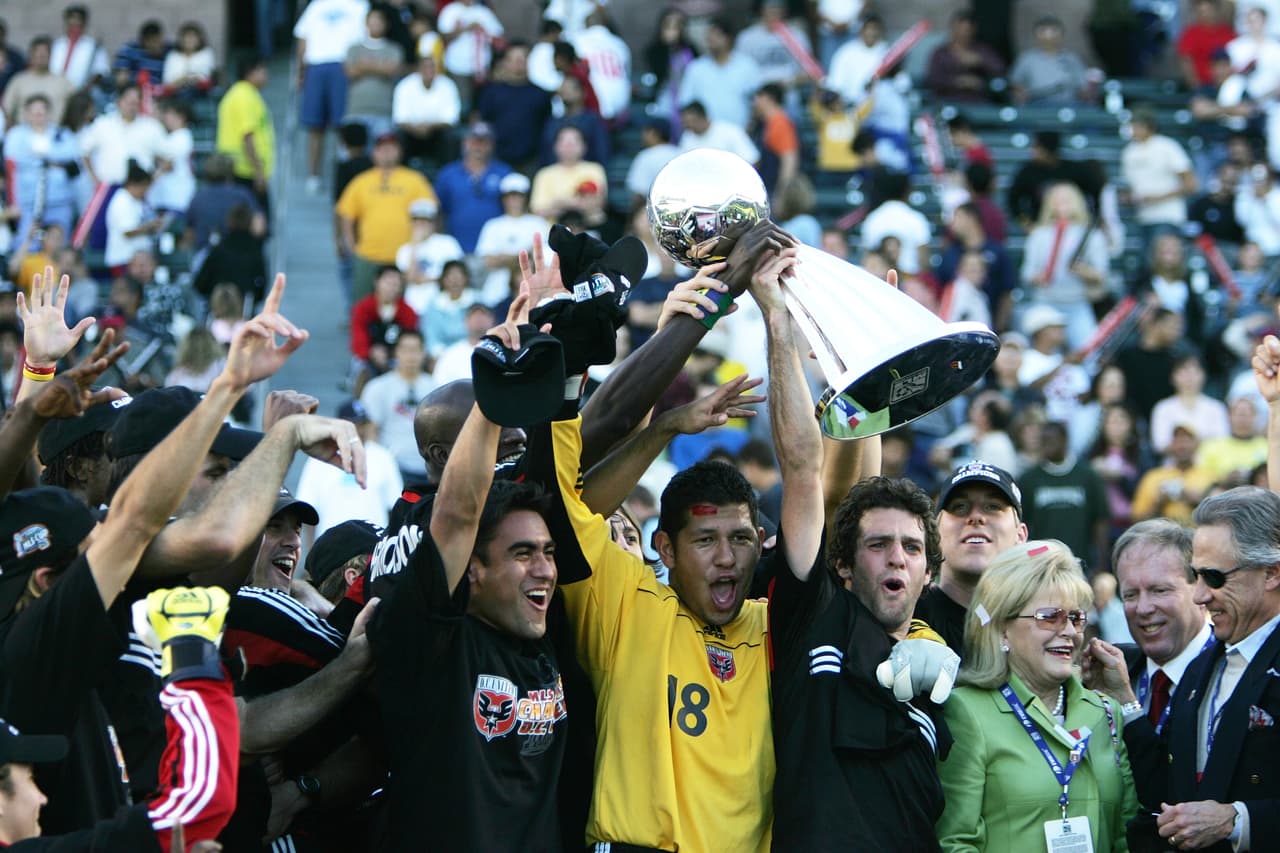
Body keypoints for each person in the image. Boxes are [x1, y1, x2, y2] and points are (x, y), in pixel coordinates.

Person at [366, 290, 572, 852]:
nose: (546, 570)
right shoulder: (433, 638)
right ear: (470, 571)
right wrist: (492, 397)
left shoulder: (541, 635)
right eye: (524, 554)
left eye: (548, 552)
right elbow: (457, 513)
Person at [936, 540, 1137, 850]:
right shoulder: (966, 712)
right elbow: (955, 843)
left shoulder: (1106, 713)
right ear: (1002, 628)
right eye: (1050, 617)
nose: (1069, 632)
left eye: (1076, 618)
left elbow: (1127, 834)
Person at [1124, 487, 1280, 851]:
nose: (1200, 595)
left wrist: (1238, 820)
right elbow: (1170, 789)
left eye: (1214, 577)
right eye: (1195, 576)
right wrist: (1126, 703)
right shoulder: (1202, 667)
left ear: (1271, 573)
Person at [1085, 520, 1212, 745]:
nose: (1143, 608)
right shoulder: (1105, 675)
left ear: (1201, 589)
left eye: (1160, 591)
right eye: (1131, 595)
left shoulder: (1233, 672)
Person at [916, 461, 1029, 652]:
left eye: (992, 506)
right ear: (934, 534)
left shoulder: (1038, 625)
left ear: (1021, 536)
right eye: (960, 506)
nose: (976, 516)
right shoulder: (907, 615)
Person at [336, 132, 435, 304]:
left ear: (400, 152)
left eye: (392, 148)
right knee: (362, 305)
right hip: (367, 255)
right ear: (374, 153)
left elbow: (430, 212)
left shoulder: (414, 180)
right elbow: (346, 215)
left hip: (404, 257)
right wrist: (351, 246)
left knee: (405, 307)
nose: (387, 152)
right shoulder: (361, 181)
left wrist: (421, 246)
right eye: (382, 148)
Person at [1019, 182, 1109, 350]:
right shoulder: (1039, 235)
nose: (1061, 205)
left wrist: (1084, 271)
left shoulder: (1091, 235)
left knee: (1088, 351)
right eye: (1056, 200)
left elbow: (1102, 273)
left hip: (1077, 302)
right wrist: (1037, 277)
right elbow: (1027, 272)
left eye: (1066, 200)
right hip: (1045, 301)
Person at [296, 401, 402, 539]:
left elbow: (394, 507)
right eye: (353, 425)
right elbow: (309, 508)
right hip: (329, 546)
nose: (360, 430)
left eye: (363, 424)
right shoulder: (318, 459)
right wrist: (311, 553)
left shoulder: (383, 457)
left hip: (374, 547)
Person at [292, 0, 368, 193]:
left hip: (343, 65)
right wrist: (301, 71)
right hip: (316, 66)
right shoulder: (316, 5)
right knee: (315, 126)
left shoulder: (360, 6)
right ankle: (314, 176)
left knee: (343, 125)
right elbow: (303, 38)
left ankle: (345, 172)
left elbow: (365, 39)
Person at [1019, 422, 1111, 573]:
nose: (1047, 445)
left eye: (1052, 440)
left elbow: (1101, 522)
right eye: (1043, 441)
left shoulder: (1087, 476)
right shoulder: (1028, 479)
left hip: (1081, 562)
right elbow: (1023, 524)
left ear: (1065, 440)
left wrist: (1100, 565)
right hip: (1042, 565)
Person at [359, 328, 436, 484]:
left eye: (415, 350)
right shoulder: (378, 388)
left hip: (430, 469)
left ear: (423, 353)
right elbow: (370, 430)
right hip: (393, 468)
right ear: (396, 352)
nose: (411, 356)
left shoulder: (436, 388)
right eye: (406, 350)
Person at [3, 95, 80, 243]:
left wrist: (40, 154)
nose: (38, 116)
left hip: (60, 201)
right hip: (28, 203)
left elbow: (71, 154)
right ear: (26, 114)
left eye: (41, 112)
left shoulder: (62, 134)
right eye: (34, 113)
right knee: (27, 245)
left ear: (49, 113)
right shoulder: (16, 135)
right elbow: (13, 160)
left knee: (58, 246)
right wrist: (53, 160)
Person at [432, 122, 511, 254]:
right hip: (456, 249)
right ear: (465, 142)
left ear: (491, 145)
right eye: (474, 141)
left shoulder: (504, 173)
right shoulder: (448, 174)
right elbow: (438, 211)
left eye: (484, 142)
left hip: (495, 252)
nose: (478, 147)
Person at [1122, 110, 1198, 236]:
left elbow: (1191, 184)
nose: (1133, 130)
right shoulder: (1129, 152)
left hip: (1168, 216)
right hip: (1142, 217)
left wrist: (1158, 198)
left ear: (1149, 126)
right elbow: (1129, 186)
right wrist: (1128, 198)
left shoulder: (1167, 146)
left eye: (1137, 125)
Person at [676, 17, 760, 130]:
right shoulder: (696, 68)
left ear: (729, 38)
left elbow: (758, 100)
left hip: (741, 134)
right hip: (704, 135)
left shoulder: (747, 66)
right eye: (709, 35)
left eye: (716, 35)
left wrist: (751, 126)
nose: (711, 39)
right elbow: (686, 102)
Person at [78, 84, 167, 190]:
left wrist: (150, 182)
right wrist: (94, 179)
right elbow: (84, 152)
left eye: (135, 103)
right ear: (119, 101)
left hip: (138, 192)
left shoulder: (152, 127)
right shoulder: (102, 124)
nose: (132, 107)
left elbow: (167, 160)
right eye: (128, 102)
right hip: (106, 187)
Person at [215, 58, 275, 212]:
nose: (266, 75)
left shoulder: (244, 94)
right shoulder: (244, 96)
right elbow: (247, 136)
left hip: (242, 169)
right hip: (244, 171)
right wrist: (258, 172)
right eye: (262, 70)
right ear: (251, 72)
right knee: (255, 225)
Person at [529, 126, 606, 228]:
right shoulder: (544, 174)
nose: (569, 146)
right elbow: (538, 211)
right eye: (564, 142)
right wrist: (576, 204)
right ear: (555, 146)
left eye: (574, 142)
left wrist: (559, 203)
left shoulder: (594, 169)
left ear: (584, 146)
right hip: (552, 233)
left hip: (588, 231)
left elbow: (598, 203)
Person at [391, 54, 460, 167]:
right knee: (399, 136)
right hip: (411, 133)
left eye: (432, 67)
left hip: (437, 132)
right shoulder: (405, 85)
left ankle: (445, 172)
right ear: (418, 69)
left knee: (450, 137)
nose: (429, 70)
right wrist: (416, 128)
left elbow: (451, 120)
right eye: (425, 67)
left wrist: (429, 126)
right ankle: (402, 173)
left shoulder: (448, 85)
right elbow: (400, 119)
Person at [924, 10, 1006, 103]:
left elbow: (1000, 69)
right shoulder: (941, 53)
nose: (963, 34)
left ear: (973, 30)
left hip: (978, 102)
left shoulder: (982, 51)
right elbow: (932, 80)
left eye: (967, 30)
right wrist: (959, 82)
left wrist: (980, 61)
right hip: (947, 101)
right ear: (953, 29)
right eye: (959, 29)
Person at [436, 0, 504, 109]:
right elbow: (444, 37)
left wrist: (482, 29)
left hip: (481, 67)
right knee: (461, 103)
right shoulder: (450, 10)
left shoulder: (482, 11)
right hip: (457, 66)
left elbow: (498, 37)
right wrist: (465, 28)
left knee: (481, 102)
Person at [1008, 16, 1090, 104]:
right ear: (1036, 35)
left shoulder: (1072, 58)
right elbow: (1016, 83)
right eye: (1043, 32)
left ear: (1061, 35)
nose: (1048, 37)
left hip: (1069, 104)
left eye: (1053, 31)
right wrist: (1020, 95)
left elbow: (1083, 86)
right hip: (1037, 104)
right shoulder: (1027, 58)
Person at [1, 37, 73, 130]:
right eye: (38, 54)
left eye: (44, 54)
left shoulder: (64, 82)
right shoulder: (18, 80)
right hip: (24, 136)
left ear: (50, 56)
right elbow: (7, 111)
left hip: (56, 137)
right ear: (31, 56)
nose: (41, 57)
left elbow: (75, 109)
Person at [103, 163, 163, 273]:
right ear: (134, 184)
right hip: (123, 259)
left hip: (135, 260)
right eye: (144, 187)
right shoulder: (122, 201)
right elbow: (127, 232)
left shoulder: (135, 201)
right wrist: (150, 226)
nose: (146, 191)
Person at [677, 100, 759, 165]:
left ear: (704, 117)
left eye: (692, 121)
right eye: (686, 123)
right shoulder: (687, 137)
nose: (689, 126)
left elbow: (752, 160)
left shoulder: (730, 131)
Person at [49, 6, 110, 92]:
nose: (75, 24)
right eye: (71, 21)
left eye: (78, 21)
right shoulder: (56, 45)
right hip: (55, 92)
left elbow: (100, 72)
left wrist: (85, 90)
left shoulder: (94, 46)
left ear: (84, 24)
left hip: (82, 94)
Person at [111, 20, 168, 92]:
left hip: (158, 93)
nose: (158, 45)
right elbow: (121, 76)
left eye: (159, 41)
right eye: (154, 41)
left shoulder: (168, 51)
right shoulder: (130, 49)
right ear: (145, 41)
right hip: (134, 90)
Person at [161, 22, 217, 95]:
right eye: (187, 37)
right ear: (181, 39)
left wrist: (192, 79)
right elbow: (167, 83)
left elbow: (208, 79)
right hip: (175, 96)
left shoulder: (206, 54)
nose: (190, 40)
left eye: (193, 37)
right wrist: (184, 80)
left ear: (200, 39)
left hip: (201, 96)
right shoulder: (173, 56)